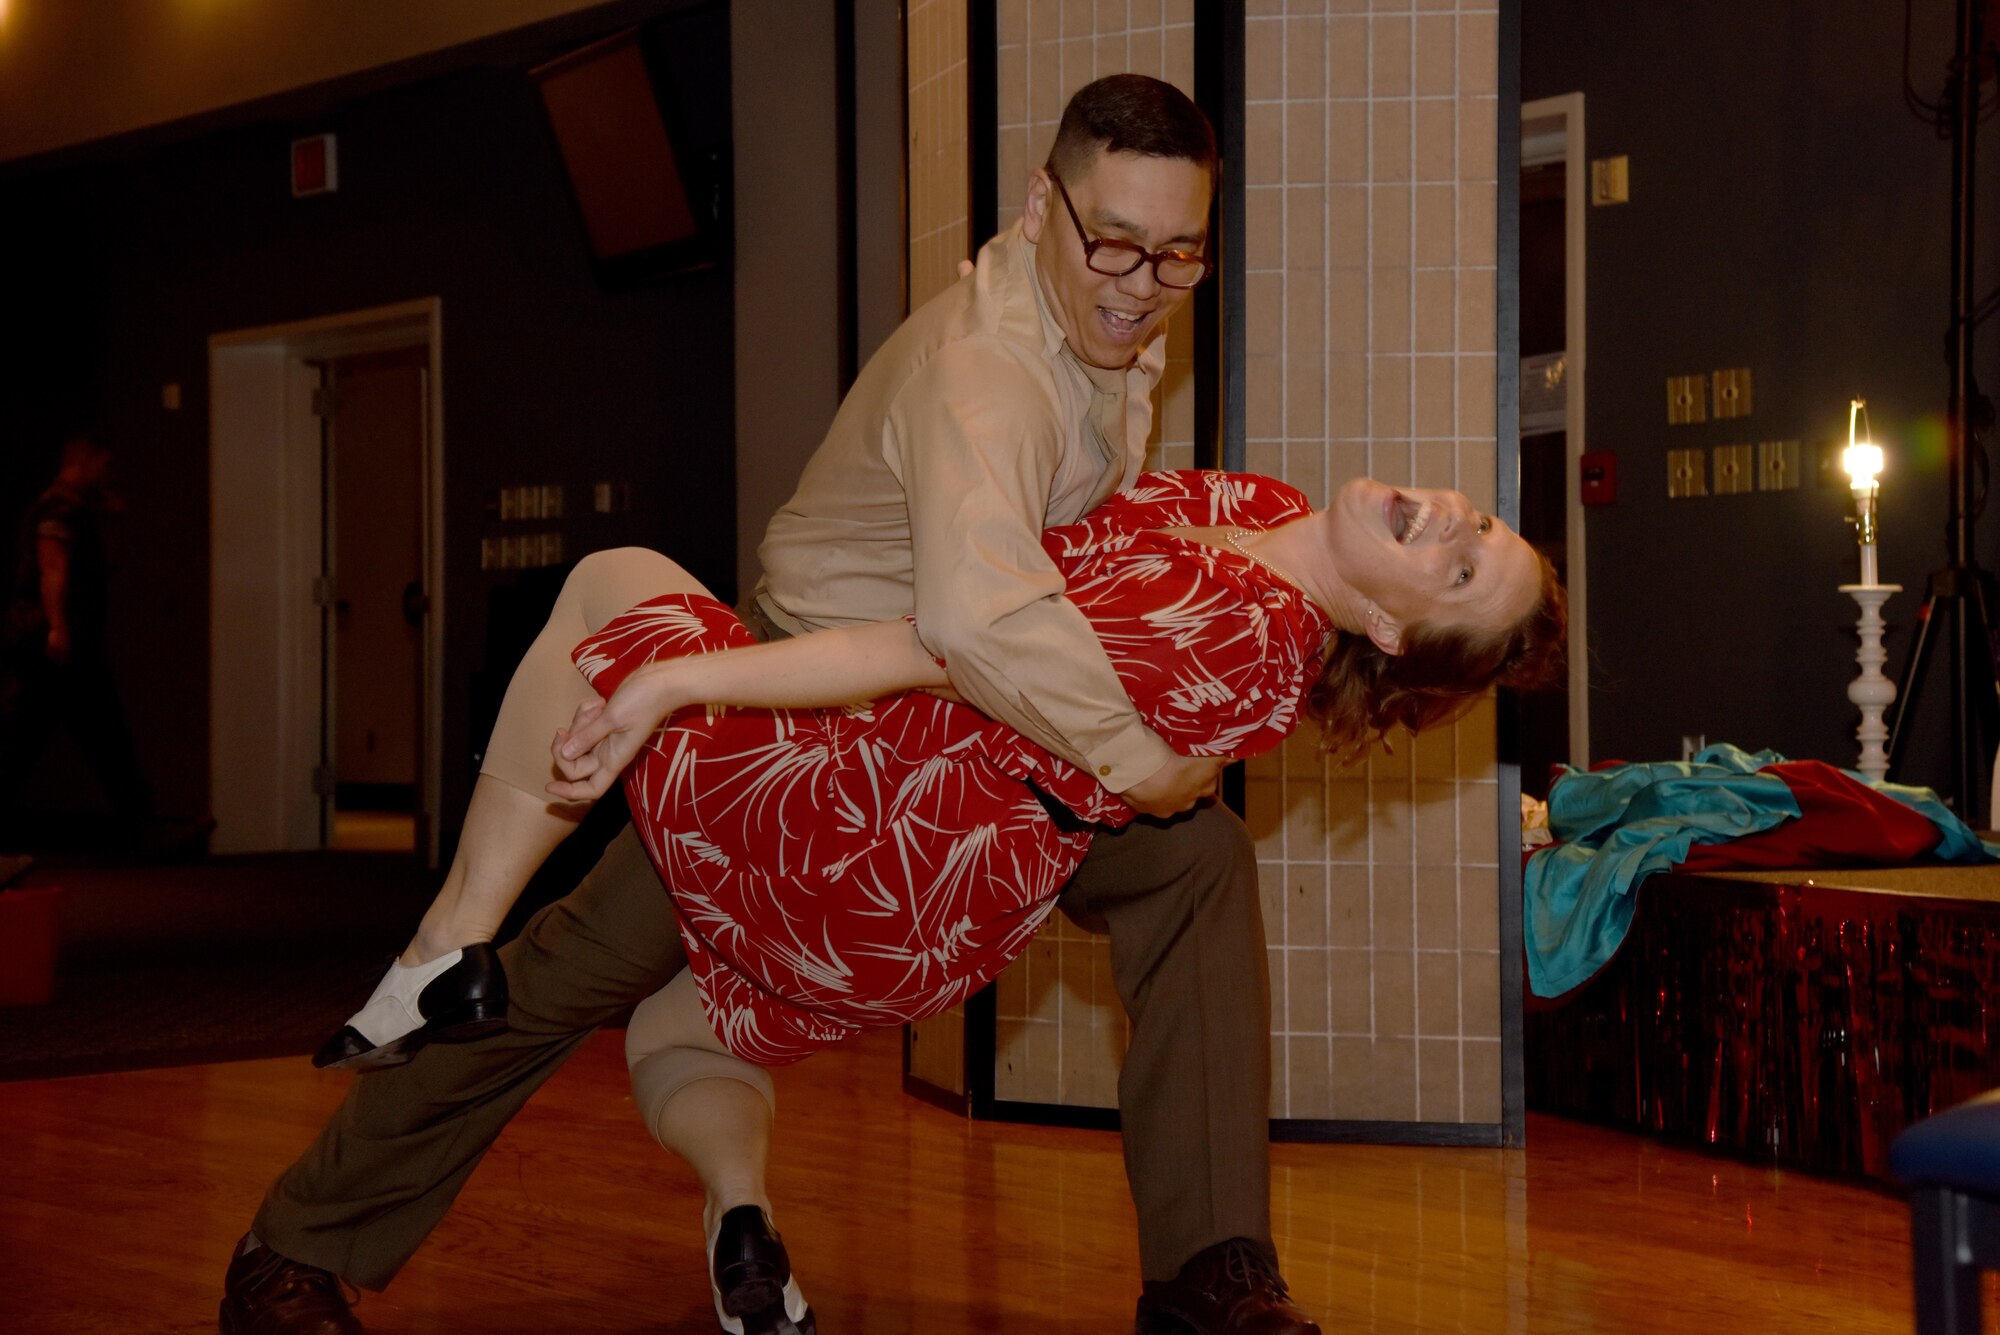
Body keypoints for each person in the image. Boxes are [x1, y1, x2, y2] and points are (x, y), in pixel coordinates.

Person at [215, 74, 1496, 1335]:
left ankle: (1209, 1271)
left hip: (970, 753)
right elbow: (970, 632)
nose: (1138, 285)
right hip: (808, 735)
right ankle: (293, 1249)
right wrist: (1146, 759)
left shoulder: (1098, 318)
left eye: (1173, 255)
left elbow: (1068, 572)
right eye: (1111, 242)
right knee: (556, 976)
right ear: (1044, 208)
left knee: (1198, 866)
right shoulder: (986, 378)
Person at [316, 466, 1560, 1335]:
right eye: (1483, 526)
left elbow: (937, 643)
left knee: (609, 586)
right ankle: (737, 1213)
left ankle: (441, 941)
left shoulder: (1235, 629)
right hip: (924, 871)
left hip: (863, 826)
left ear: (1392, 633)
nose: (1450, 519)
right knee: (683, 1023)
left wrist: (682, 680)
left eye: (1456, 569)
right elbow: (1059, 512)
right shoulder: (1252, 512)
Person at [1, 432, 152, 843]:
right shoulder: (60, 508)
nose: (108, 473)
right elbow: (53, 567)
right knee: (33, 739)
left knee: (29, 739)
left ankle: (145, 826)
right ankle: (145, 828)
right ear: (86, 460)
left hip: (56, 643)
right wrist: (58, 629)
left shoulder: (73, 507)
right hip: (51, 643)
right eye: (104, 464)